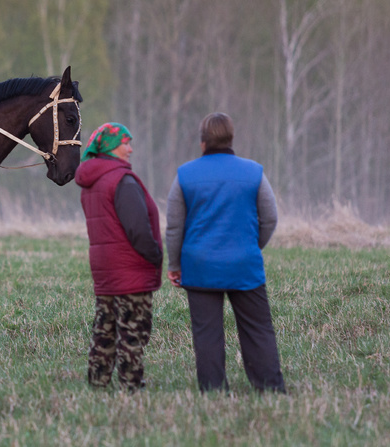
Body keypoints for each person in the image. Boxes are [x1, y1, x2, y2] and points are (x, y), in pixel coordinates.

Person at [165, 112, 285, 393]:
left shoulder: (185, 174)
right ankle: (269, 387)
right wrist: (251, 248)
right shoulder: (254, 172)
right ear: (231, 138)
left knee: (207, 334)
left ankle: (214, 391)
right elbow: (270, 219)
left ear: (202, 142)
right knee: (258, 330)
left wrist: (174, 263)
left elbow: (174, 227)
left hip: (199, 267)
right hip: (245, 265)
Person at [75, 122, 163, 391]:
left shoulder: (92, 182)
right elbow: (137, 228)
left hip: (105, 271)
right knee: (133, 332)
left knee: (105, 329)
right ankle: (130, 385)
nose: (131, 148)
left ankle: (98, 381)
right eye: (126, 143)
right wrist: (156, 255)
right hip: (130, 271)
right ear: (112, 147)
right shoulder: (122, 180)